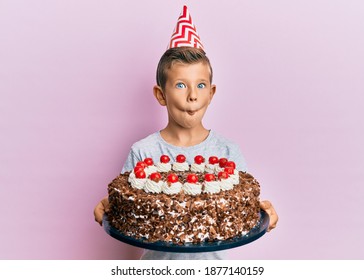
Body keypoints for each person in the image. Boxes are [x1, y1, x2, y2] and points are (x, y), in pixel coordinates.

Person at [94, 46, 278, 259]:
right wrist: (109, 206)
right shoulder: (143, 152)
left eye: (201, 85)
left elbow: (244, 207)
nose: (192, 96)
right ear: (161, 95)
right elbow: (127, 204)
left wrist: (265, 212)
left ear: (211, 94)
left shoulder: (227, 151)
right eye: (180, 85)